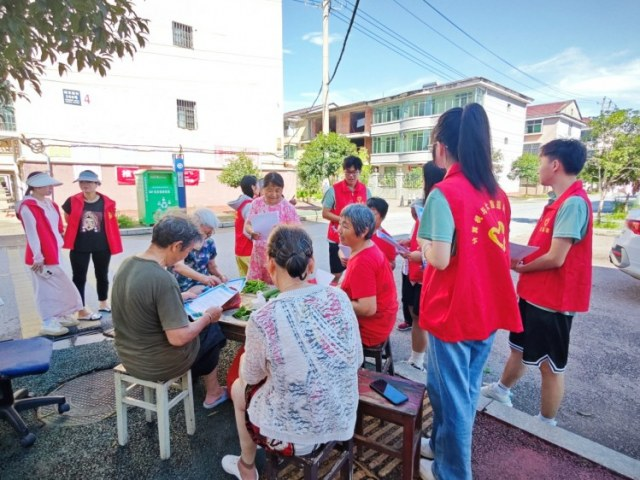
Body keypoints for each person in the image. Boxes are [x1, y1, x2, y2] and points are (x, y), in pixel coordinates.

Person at [417, 104, 522, 480]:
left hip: (453, 311)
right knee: (456, 389)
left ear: (442, 147)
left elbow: (439, 259)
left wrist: (424, 245)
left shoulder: (443, 193)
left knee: (454, 398)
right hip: (486, 308)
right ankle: (441, 448)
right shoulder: (498, 195)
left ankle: (452, 473)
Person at [221, 225, 362, 480]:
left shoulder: (263, 317)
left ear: (270, 265)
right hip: (341, 416)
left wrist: (245, 362)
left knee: (239, 388)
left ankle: (247, 466)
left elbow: (251, 377)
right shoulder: (339, 298)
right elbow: (356, 358)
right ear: (312, 263)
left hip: (293, 436)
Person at [482, 139, 592, 427]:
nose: (539, 167)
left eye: (541, 161)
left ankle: (546, 423)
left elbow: (556, 257)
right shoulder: (558, 202)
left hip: (553, 300)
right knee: (518, 347)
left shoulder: (573, 203)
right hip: (535, 293)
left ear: (555, 165)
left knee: (550, 365)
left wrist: (522, 266)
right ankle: (502, 390)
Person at [111, 213, 228, 409]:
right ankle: (213, 392)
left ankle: (196, 378)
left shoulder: (127, 264)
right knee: (212, 331)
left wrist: (183, 295)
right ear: (176, 246)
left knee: (201, 328)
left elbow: (144, 301)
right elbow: (178, 338)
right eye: (188, 250)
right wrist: (208, 317)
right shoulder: (163, 279)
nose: (186, 256)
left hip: (129, 358)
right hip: (159, 364)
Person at [15, 172, 83, 336]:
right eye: (47, 185)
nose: (51, 188)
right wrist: (38, 257)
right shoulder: (27, 207)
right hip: (41, 256)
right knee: (45, 290)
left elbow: (57, 228)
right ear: (36, 186)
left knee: (61, 286)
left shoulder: (50, 204)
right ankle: (48, 321)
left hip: (54, 252)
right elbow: (31, 233)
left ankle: (59, 315)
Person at [396, 162, 446, 377]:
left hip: (426, 272)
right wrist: (410, 242)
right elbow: (421, 233)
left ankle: (419, 360)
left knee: (421, 317)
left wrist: (421, 254)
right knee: (414, 313)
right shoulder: (427, 203)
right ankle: (415, 358)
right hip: (413, 268)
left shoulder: (440, 201)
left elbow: (441, 245)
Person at [62, 169, 123, 319]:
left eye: (89, 182)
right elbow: (68, 218)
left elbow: (111, 223)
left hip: (102, 245)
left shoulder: (107, 202)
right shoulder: (72, 201)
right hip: (79, 245)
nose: (85, 185)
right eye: (82, 182)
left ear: (97, 184)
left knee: (102, 275)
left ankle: (103, 303)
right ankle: (81, 309)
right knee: (79, 277)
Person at [339, 204, 398, 348]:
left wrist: (337, 299)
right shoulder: (366, 246)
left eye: (345, 226)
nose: (339, 230)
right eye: (339, 224)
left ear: (364, 231)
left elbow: (367, 308)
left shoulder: (363, 262)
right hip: (383, 318)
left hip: (370, 328)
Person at [322, 155, 371, 283]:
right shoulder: (333, 190)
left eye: (355, 172)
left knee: (356, 271)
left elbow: (369, 213)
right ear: (344, 171)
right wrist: (345, 222)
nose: (351, 176)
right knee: (337, 274)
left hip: (358, 239)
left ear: (359, 172)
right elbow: (325, 213)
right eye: (348, 172)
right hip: (337, 237)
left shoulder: (365, 191)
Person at [244, 172, 300, 283]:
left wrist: (283, 230)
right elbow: (248, 224)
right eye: (269, 190)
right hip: (259, 254)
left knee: (277, 286)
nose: (273, 194)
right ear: (263, 188)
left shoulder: (288, 208)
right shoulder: (256, 203)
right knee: (256, 286)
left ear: (282, 190)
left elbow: (298, 232)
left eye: (277, 190)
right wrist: (251, 232)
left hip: (280, 256)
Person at [171, 208, 227, 297]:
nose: (210, 233)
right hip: (183, 289)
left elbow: (212, 266)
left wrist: (221, 276)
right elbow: (178, 266)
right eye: (207, 231)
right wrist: (203, 278)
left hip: (203, 287)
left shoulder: (209, 242)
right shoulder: (182, 241)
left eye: (211, 231)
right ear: (197, 225)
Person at [227, 175, 259, 277]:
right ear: (253, 187)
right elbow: (247, 230)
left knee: (245, 280)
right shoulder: (250, 206)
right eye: (258, 185)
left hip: (240, 250)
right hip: (248, 251)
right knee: (254, 281)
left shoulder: (242, 204)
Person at [366, 197, 397, 270]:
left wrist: (374, 263)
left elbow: (392, 264)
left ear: (382, 216)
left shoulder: (387, 239)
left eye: (373, 214)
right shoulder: (358, 233)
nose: (368, 216)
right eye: (366, 213)